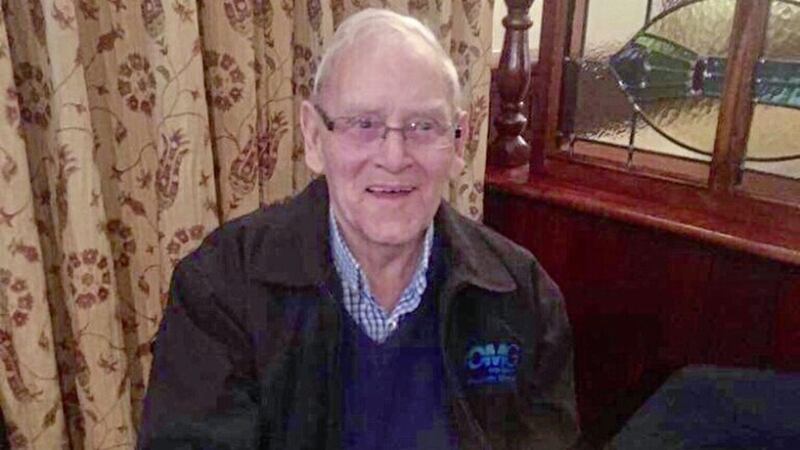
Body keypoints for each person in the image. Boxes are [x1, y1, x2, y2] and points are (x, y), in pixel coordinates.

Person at [138, 8, 577, 450]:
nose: (394, 155)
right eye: (363, 124)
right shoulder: (220, 289)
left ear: (458, 142)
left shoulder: (523, 295)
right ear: (313, 137)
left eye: (423, 126)